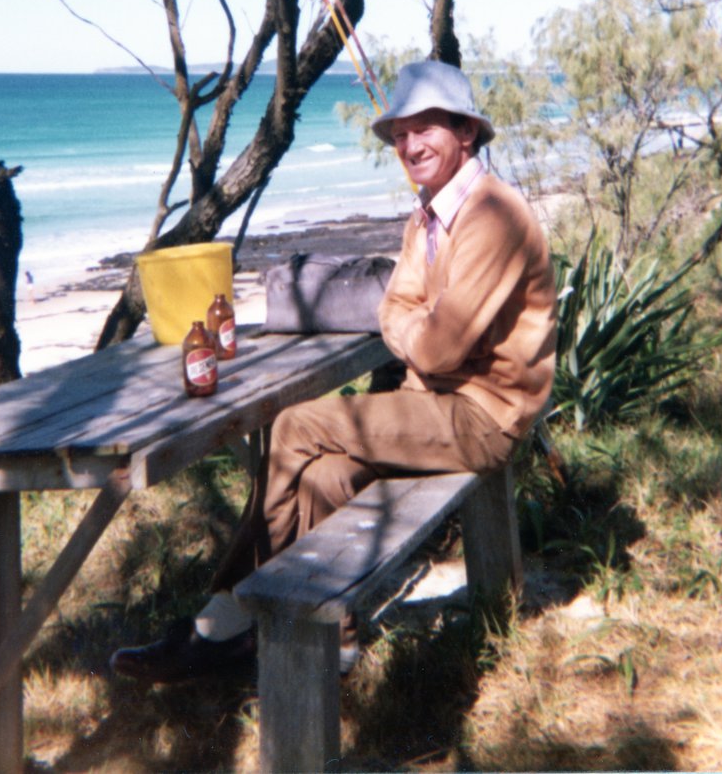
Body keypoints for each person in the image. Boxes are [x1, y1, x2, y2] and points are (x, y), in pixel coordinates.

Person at [110, 59, 557, 682]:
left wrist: (414, 330)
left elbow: (435, 352)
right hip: (434, 405)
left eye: (425, 128)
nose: (409, 144)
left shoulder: (490, 217)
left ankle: (221, 621)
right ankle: (334, 643)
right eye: (400, 133)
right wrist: (414, 326)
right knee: (322, 476)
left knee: (295, 426)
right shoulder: (428, 214)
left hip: (484, 416)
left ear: (467, 133)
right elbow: (392, 309)